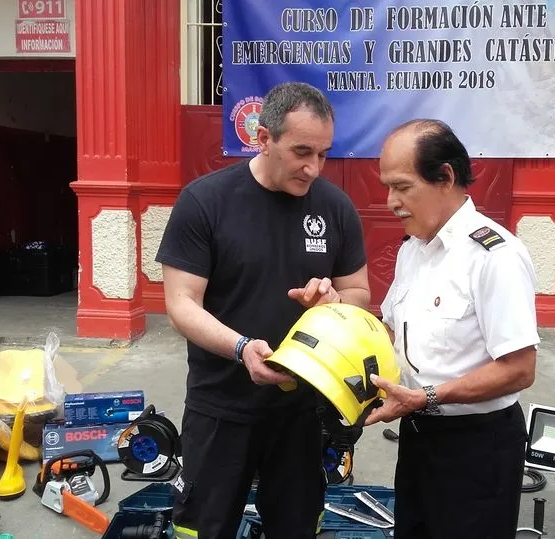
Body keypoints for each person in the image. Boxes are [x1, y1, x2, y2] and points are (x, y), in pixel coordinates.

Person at [155, 81, 370, 539]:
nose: (314, 168)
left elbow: (359, 291)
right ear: (263, 138)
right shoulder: (205, 202)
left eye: (323, 154)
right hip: (221, 406)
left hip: (302, 410)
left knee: (296, 527)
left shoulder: (334, 207)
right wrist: (241, 348)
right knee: (203, 529)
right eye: (301, 152)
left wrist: (334, 302)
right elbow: (180, 304)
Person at [364, 118, 540, 539]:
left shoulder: (494, 256)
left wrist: (427, 396)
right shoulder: (413, 250)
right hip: (418, 434)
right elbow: (391, 333)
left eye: (402, 187)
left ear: (445, 177)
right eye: (388, 187)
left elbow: (519, 369)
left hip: (477, 447)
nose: (390, 202)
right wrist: (337, 317)